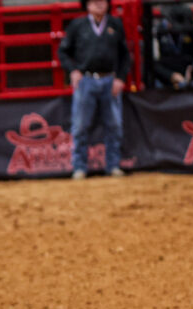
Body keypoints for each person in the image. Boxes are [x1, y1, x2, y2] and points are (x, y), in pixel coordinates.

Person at [58, 0, 131, 179]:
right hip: (86, 79)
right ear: (87, 5)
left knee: (113, 125)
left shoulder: (115, 24)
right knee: (81, 125)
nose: (99, 4)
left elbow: (125, 55)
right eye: (94, 1)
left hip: (109, 79)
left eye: (102, 1)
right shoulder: (78, 25)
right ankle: (79, 167)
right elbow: (63, 52)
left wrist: (120, 78)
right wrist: (73, 71)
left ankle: (113, 165)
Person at [152, 3, 193, 89]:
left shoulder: (190, 30)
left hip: (188, 75)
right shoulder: (160, 31)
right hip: (166, 77)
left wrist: (192, 70)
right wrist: (171, 75)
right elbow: (153, 63)